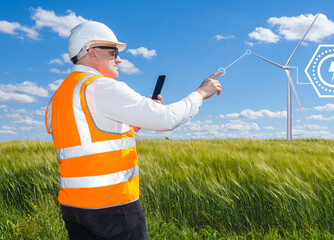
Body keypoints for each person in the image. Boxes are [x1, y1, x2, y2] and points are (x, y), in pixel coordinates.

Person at [45, 21, 222, 240]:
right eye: (113, 52)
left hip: (73, 207)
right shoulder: (101, 86)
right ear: (91, 52)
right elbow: (167, 119)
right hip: (113, 206)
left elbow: (91, 136)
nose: (118, 58)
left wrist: (136, 121)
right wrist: (200, 93)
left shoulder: (59, 96)